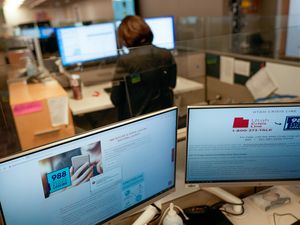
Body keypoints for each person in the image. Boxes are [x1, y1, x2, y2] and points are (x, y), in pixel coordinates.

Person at [111, 15, 177, 120]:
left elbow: (116, 99)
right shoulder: (166, 54)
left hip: (137, 122)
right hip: (164, 117)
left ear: (125, 37)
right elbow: (172, 84)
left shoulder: (125, 60)